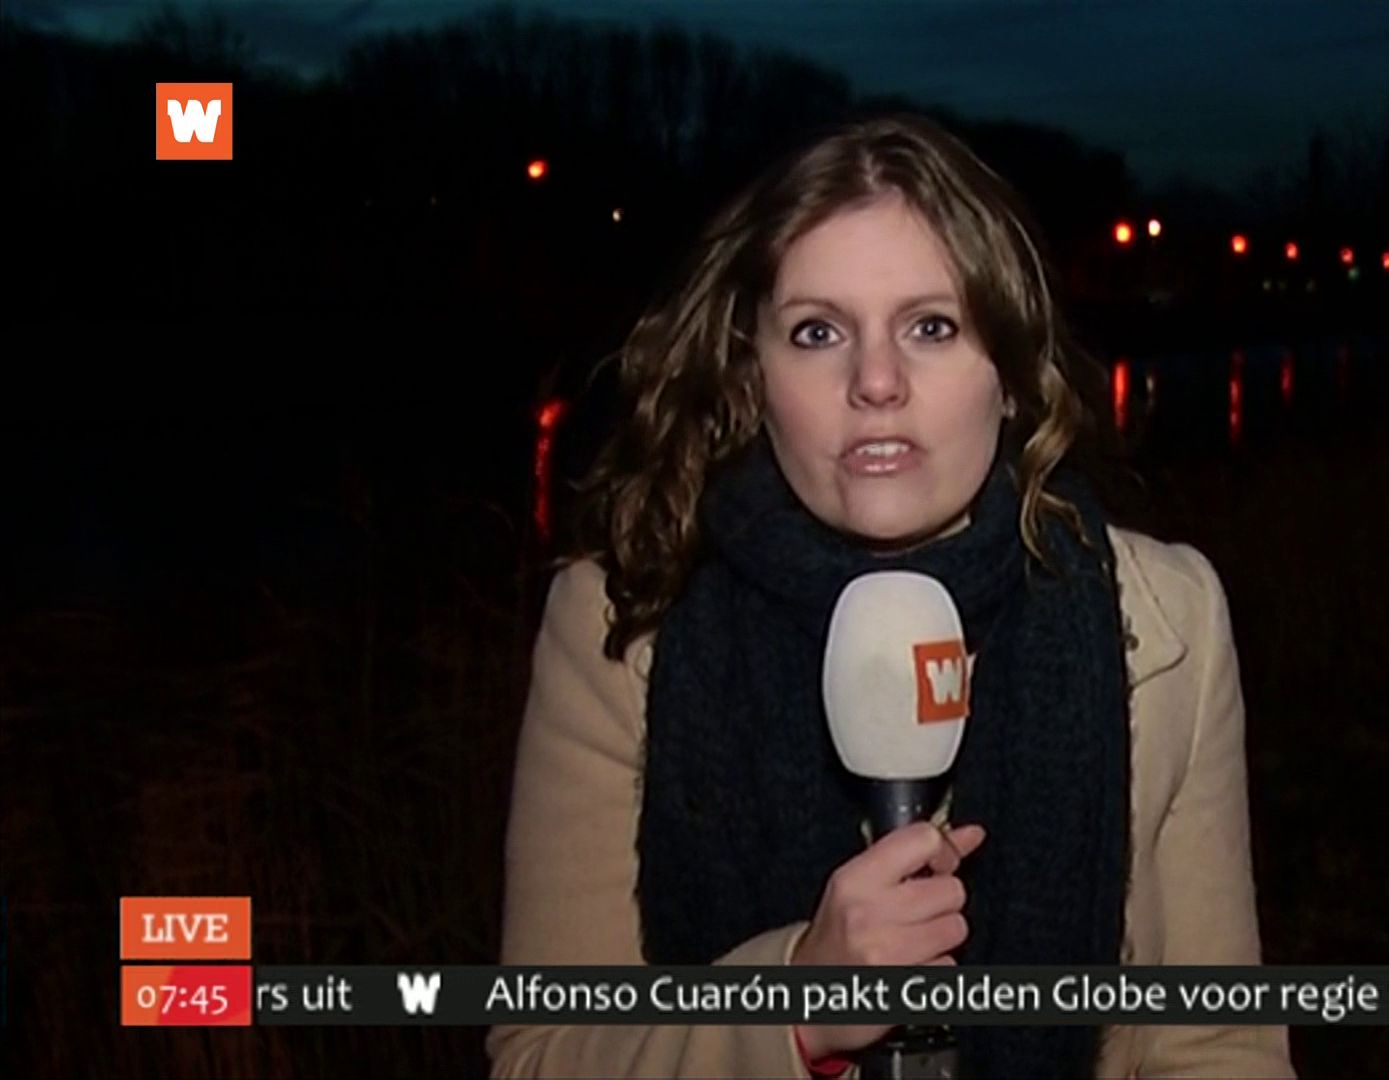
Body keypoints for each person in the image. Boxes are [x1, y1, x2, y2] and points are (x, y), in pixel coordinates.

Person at [486, 113, 1294, 1079]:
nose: (875, 381)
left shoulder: (1165, 623)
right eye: (818, 331)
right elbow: (540, 1053)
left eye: (931, 326)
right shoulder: (623, 621)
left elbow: (1217, 1047)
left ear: (1010, 375)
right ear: (751, 373)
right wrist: (793, 1009)